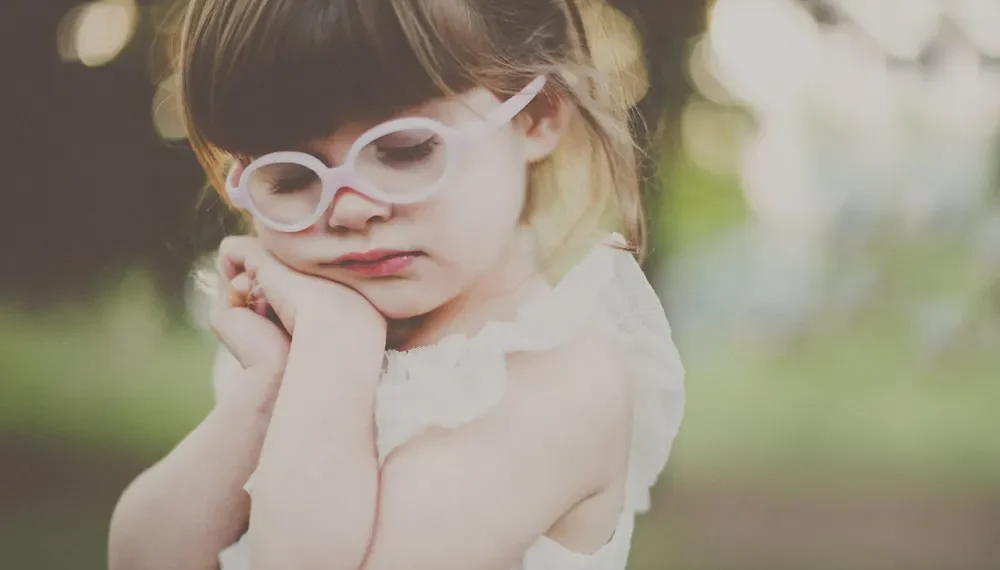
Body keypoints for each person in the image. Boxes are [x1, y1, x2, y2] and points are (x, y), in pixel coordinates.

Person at [108, 1, 684, 569]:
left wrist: (335, 347)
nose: (351, 208)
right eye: (290, 177)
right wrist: (267, 389)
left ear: (536, 115)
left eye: (406, 149)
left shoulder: (559, 382)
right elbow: (143, 555)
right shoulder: (297, 352)